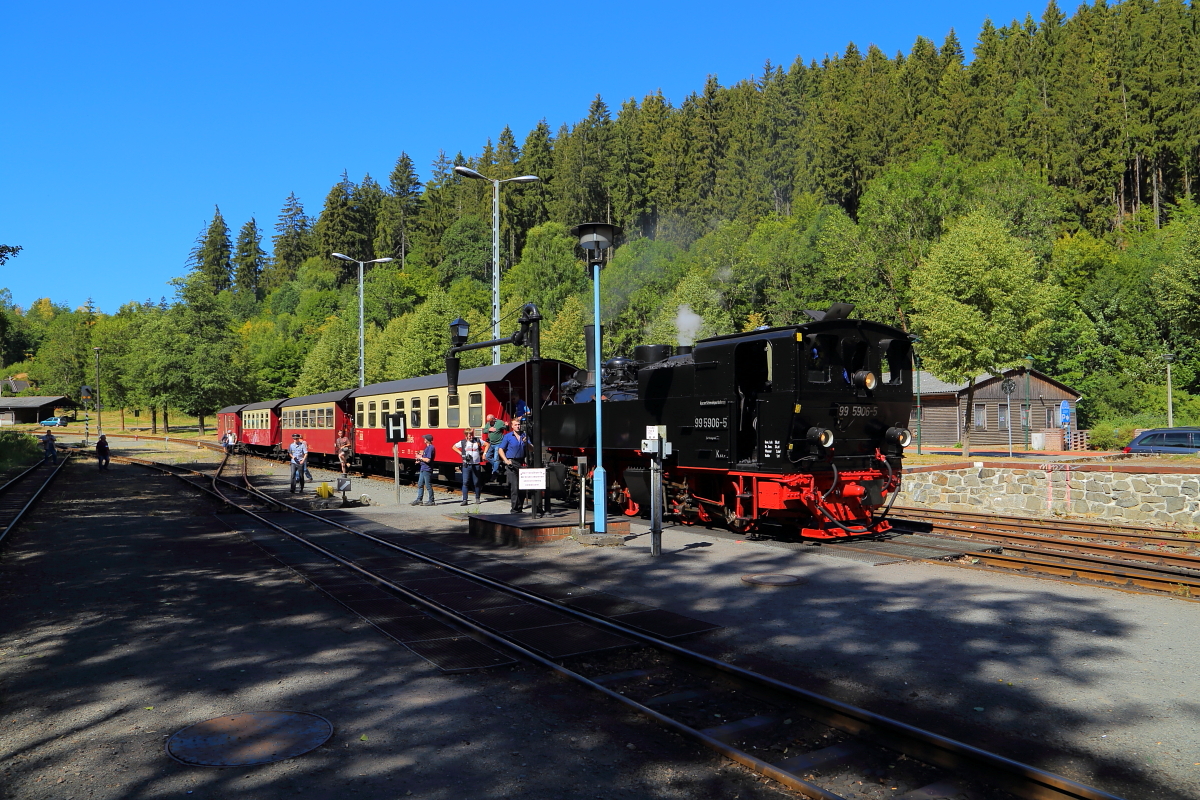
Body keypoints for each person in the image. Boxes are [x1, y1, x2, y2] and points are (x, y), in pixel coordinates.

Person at [497, 417, 530, 514]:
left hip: (521, 463)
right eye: (515, 425)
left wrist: (526, 443)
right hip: (511, 463)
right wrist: (506, 460)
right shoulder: (507, 436)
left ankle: (520, 508)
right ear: (512, 426)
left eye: (519, 424)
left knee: (522, 487)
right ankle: (514, 509)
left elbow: (532, 449)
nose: (518, 426)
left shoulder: (524, 436)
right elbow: (500, 449)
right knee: (515, 487)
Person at [452, 428, 483, 506]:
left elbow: (487, 444)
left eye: (471, 435)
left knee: (476, 482)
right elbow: (454, 447)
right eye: (469, 435)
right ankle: (465, 500)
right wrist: (461, 453)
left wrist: (485, 453)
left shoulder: (478, 441)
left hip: (476, 464)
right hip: (466, 465)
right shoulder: (463, 442)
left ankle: (477, 498)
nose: (471, 437)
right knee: (465, 482)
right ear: (466, 436)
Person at [412, 434, 435, 506]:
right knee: (420, 484)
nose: (424, 440)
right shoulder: (427, 448)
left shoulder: (431, 448)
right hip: (423, 468)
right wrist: (419, 460)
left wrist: (420, 458)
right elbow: (425, 458)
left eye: (425, 439)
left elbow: (428, 460)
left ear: (427, 440)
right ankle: (419, 499)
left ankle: (431, 500)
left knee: (428, 485)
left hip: (427, 469)